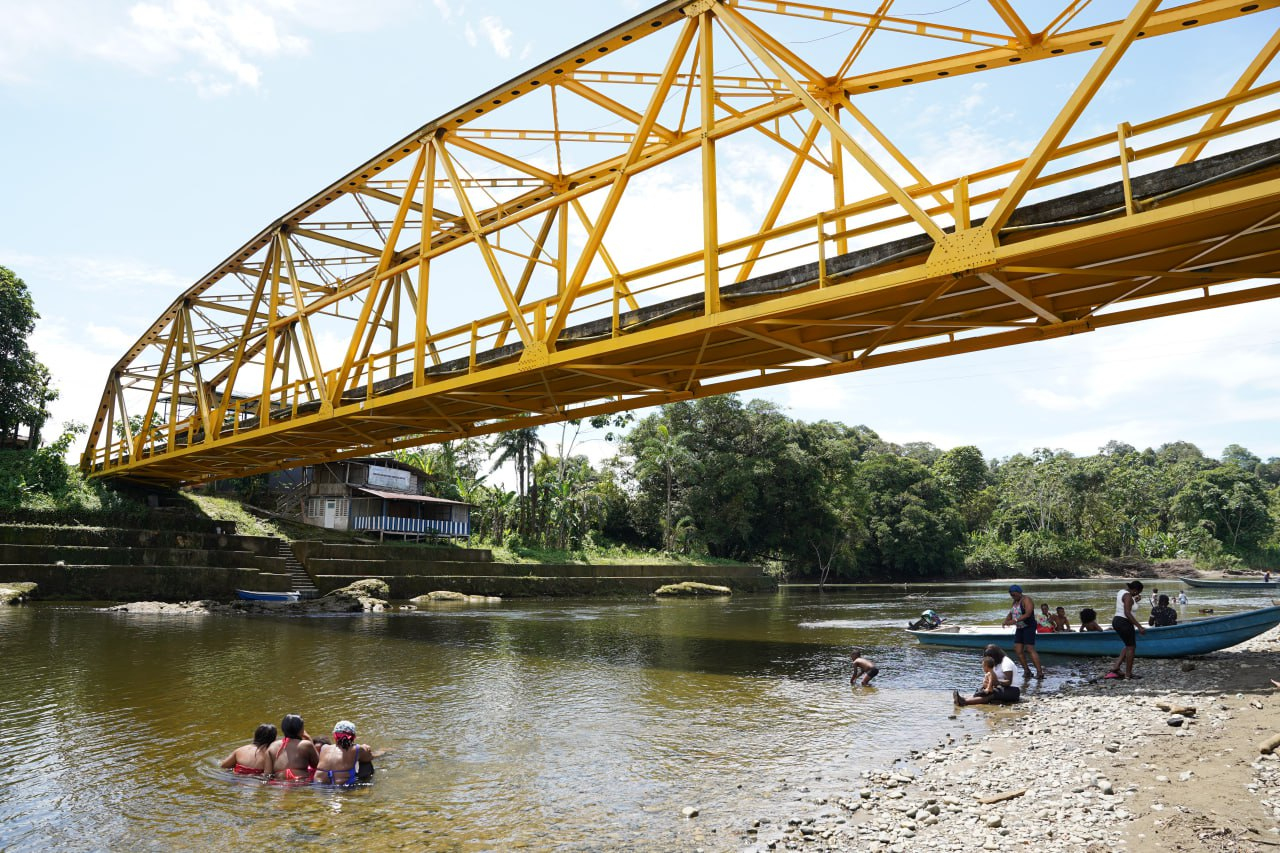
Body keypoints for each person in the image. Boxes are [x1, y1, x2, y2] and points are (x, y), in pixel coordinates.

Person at [954, 644, 1020, 706]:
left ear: (994, 656)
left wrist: (997, 682)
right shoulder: (996, 663)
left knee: (990, 694)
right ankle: (964, 699)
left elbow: (1008, 682)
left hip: (1013, 690)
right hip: (1001, 688)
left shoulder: (1006, 662)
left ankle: (964, 702)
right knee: (981, 691)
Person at [312, 720, 375, 785]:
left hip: (319, 787)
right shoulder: (357, 749)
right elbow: (370, 757)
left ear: (334, 735)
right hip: (342, 788)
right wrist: (366, 748)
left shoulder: (324, 748)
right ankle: (365, 786)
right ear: (354, 737)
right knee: (366, 762)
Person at [1002, 585, 1045, 678]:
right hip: (1020, 627)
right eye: (1011, 595)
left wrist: (1015, 621)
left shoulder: (1026, 600)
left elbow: (1028, 613)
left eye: (1014, 594)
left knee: (1030, 649)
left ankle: (1040, 672)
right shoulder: (1014, 602)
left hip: (1028, 626)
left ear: (1019, 592)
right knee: (1017, 649)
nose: (1013, 596)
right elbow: (1011, 613)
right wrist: (1006, 621)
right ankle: (1027, 671)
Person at [1107, 581, 1146, 680]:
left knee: (1128, 645)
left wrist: (1135, 601)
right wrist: (1139, 626)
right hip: (1124, 622)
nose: (1138, 594)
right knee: (1131, 647)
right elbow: (1127, 613)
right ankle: (1128, 675)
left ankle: (1116, 667)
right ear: (1135, 590)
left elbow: (1125, 606)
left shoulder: (1121, 592)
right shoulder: (1128, 596)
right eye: (1138, 592)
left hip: (1117, 621)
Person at [270, 713, 320, 782]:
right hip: (302, 782)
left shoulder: (272, 746)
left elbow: (267, 774)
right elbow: (318, 766)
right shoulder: (306, 745)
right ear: (301, 730)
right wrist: (309, 739)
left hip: (279, 783)